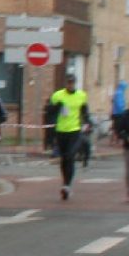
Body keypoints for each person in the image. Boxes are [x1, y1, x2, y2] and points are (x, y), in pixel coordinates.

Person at [48, 70, 89, 201]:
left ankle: (67, 185)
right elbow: (49, 112)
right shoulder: (58, 95)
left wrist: (87, 122)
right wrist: (56, 107)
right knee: (64, 159)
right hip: (61, 131)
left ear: (75, 83)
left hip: (75, 130)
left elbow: (84, 111)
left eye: (72, 83)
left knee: (70, 156)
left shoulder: (81, 95)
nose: (70, 85)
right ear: (65, 83)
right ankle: (65, 182)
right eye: (68, 82)